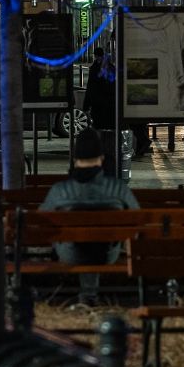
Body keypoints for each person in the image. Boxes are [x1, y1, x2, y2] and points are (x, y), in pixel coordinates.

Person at [40, 128, 140, 306]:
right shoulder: (118, 188)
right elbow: (137, 218)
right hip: (108, 254)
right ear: (101, 157)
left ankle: (87, 296)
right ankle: (90, 296)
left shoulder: (60, 190)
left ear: (75, 159)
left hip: (70, 253)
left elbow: (40, 221)